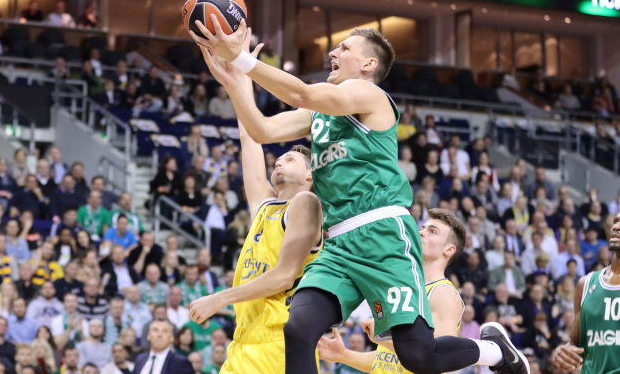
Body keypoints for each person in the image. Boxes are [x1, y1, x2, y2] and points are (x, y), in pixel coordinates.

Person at [193, 19, 528, 374]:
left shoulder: (371, 96)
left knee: (417, 356)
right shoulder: (317, 114)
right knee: (299, 327)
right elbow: (262, 129)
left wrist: (245, 60)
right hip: (339, 246)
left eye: (345, 48)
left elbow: (302, 93)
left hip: (382, 236)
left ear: (369, 64)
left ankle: (493, 352)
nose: (333, 52)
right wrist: (235, 83)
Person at [188, 111, 323, 372]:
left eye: (290, 159)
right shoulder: (265, 207)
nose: (279, 163)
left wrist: (219, 299)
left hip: (279, 341)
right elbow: (248, 136)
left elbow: (283, 277)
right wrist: (238, 76)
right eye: (278, 161)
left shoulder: (307, 204)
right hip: (242, 340)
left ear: (310, 175)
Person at [317, 208, 466, 373]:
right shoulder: (403, 285)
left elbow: (439, 358)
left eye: (432, 231)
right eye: (423, 227)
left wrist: (384, 337)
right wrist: (343, 355)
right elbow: (386, 360)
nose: (421, 232)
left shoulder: (443, 292)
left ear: (449, 250)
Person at [552, 211, 620, 373]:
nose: (616, 227)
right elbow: (575, 344)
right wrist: (563, 352)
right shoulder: (586, 283)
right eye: (616, 221)